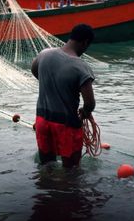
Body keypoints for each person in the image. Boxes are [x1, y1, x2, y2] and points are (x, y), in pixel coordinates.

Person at [31, 24, 96, 168]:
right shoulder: (81, 67)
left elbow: (34, 70)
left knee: (46, 165)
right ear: (85, 43)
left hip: (42, 120)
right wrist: (84, 113)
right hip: (66, 126)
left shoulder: (44, 54)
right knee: (71, 171)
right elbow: (90, 103)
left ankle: (45, 189)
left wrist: (51, 83)